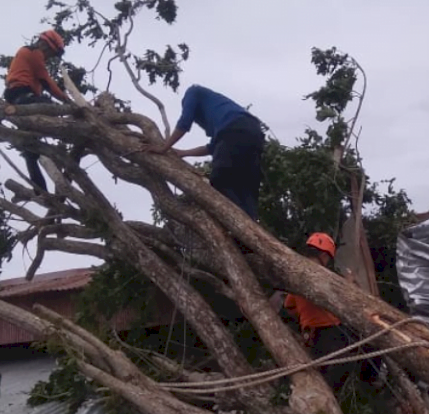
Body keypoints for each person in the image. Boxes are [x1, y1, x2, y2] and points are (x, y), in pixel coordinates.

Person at [281, 233, 380, 391]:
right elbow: (344, 298)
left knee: (367, 344)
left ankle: (364, 384)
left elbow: (289, 306)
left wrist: (305, 317)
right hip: (327, 331)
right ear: (323, 255)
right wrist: (349, 283)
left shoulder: (295, 274)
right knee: (358, 351)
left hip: (314, 332)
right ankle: (365, 385)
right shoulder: (320, 274)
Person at [157, 85, 265, 221]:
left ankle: (239, 224)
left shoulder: (193, 92)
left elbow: (184, 122)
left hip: (234, 130)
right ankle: (250, 232)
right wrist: (184, 153)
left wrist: (164, 148)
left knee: (220, 180)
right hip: (255, 133)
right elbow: (213, 147)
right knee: (246, 188)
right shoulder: (223, 114)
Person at [3, 30, 69, 193]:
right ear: (46, 45)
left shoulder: (28, 53)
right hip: (23, 95)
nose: (49, 57)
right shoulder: (33, 53)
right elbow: (46, 81)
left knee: (31, 149)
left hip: (17, 97)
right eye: (51, 53)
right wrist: (67, 101)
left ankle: (40, 190)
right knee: (50, 106)